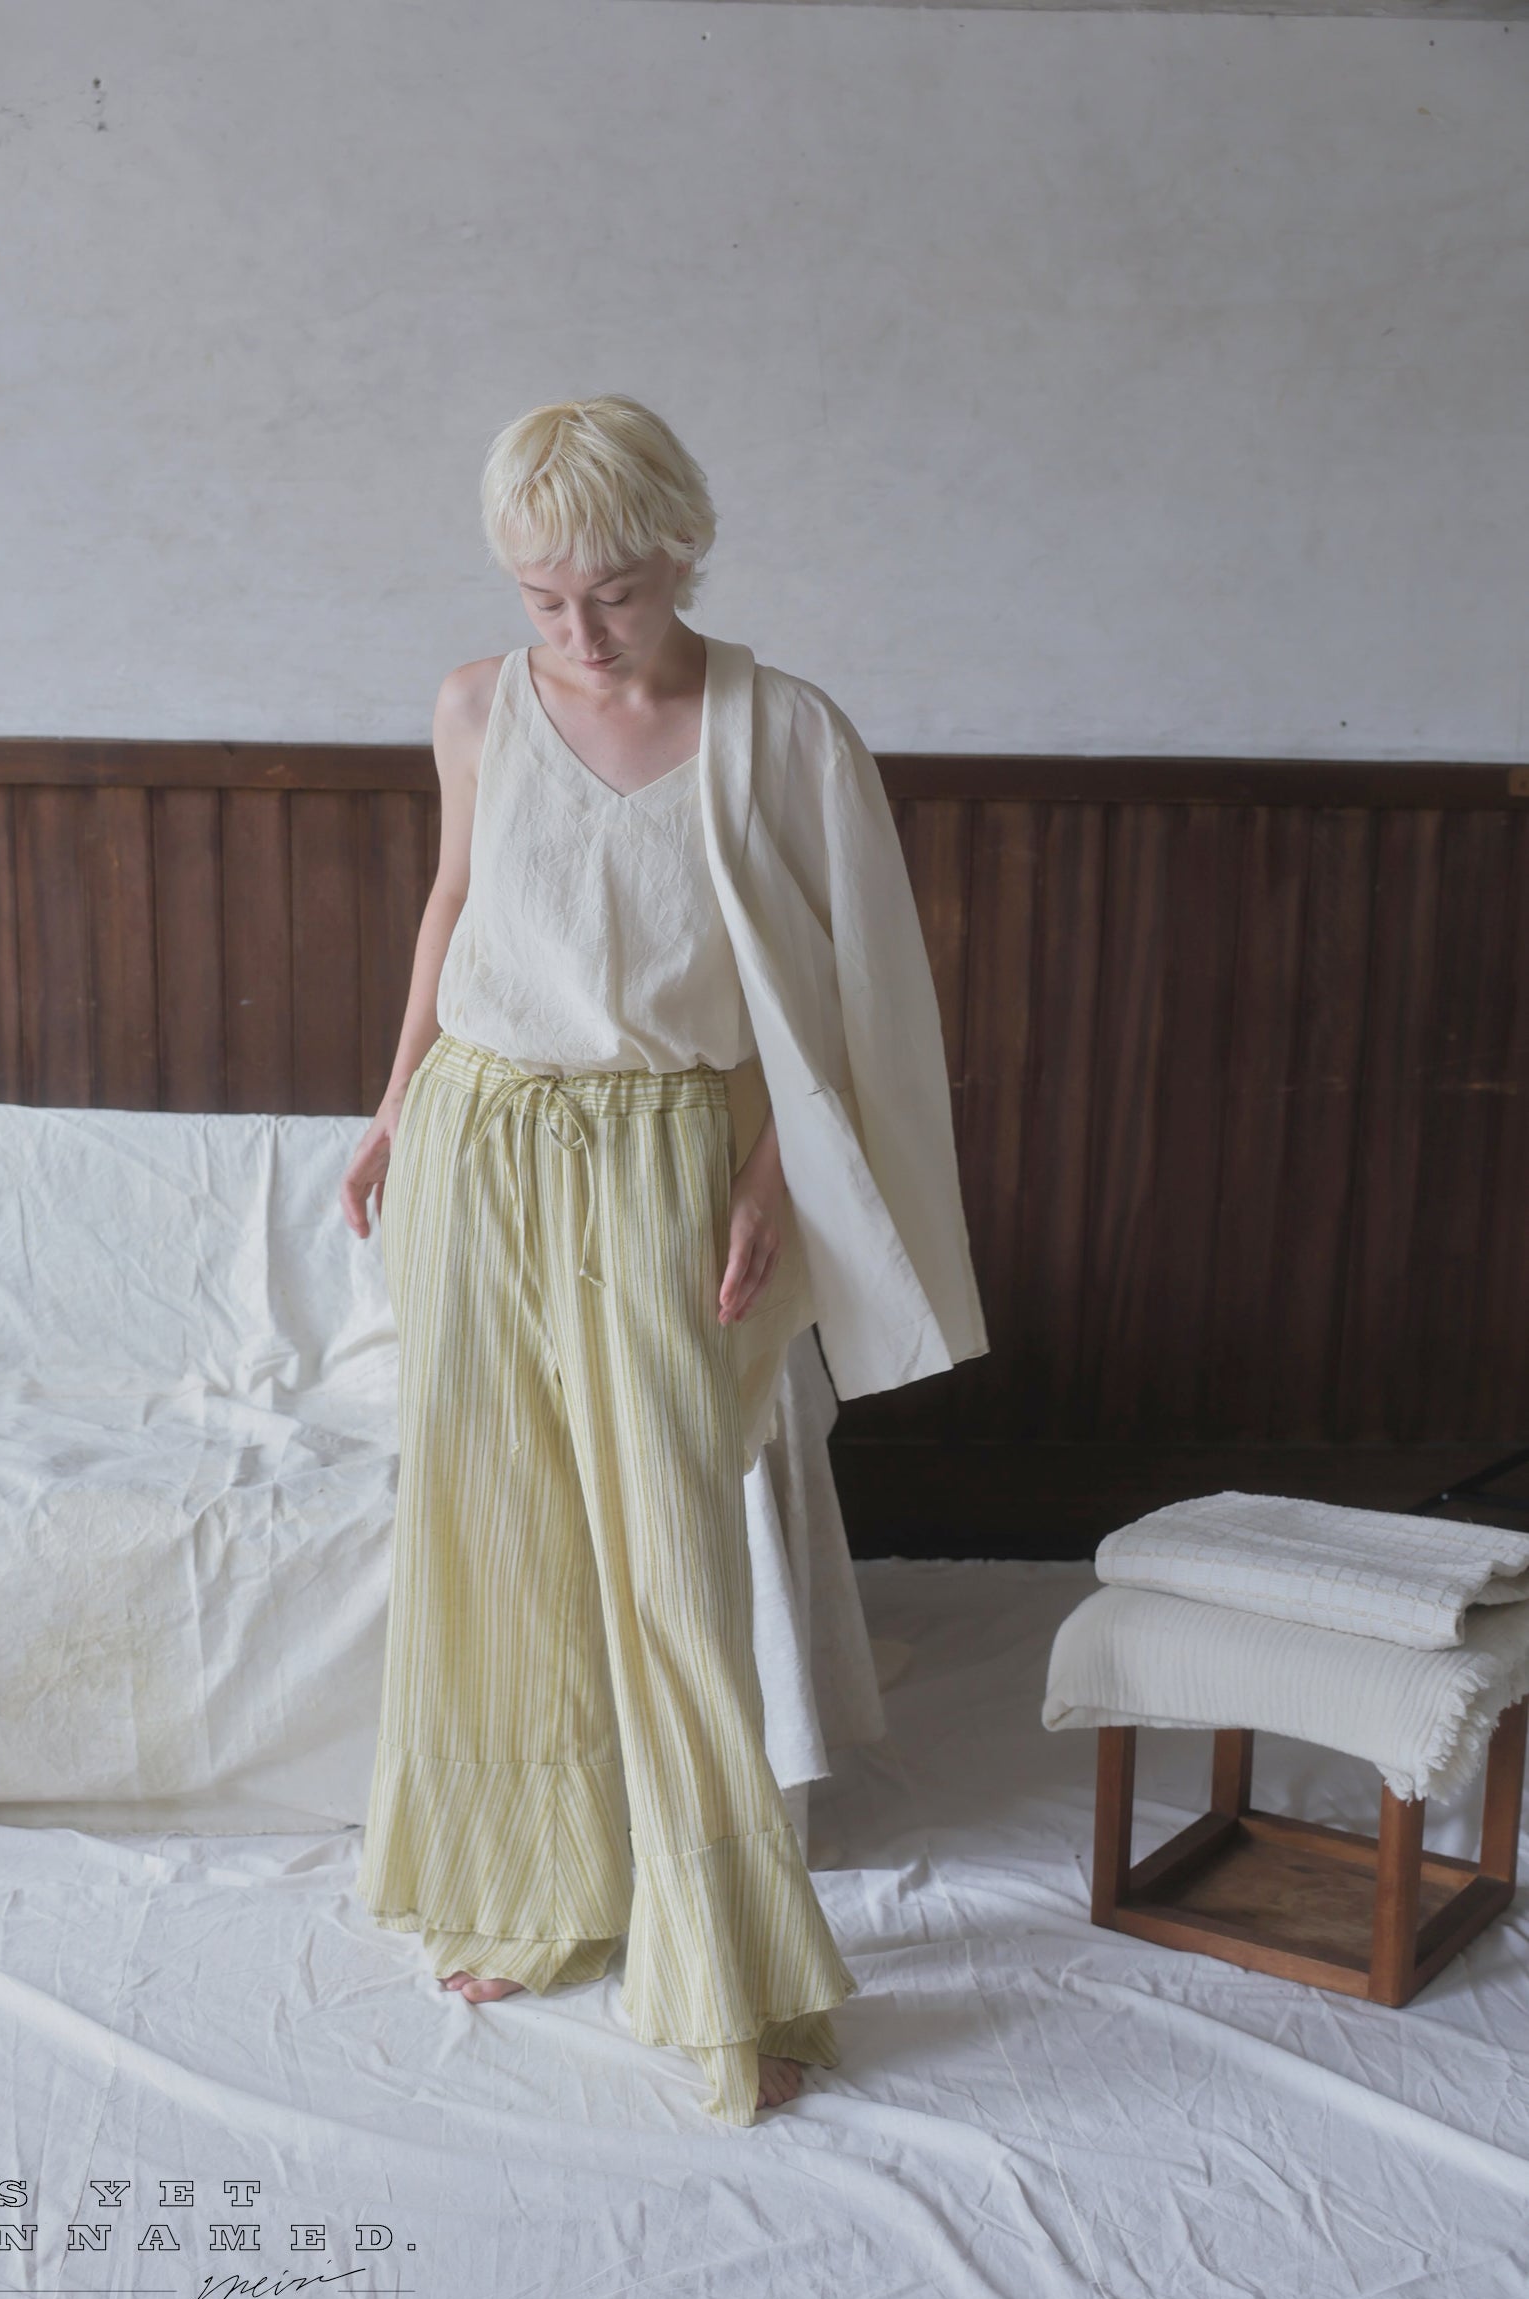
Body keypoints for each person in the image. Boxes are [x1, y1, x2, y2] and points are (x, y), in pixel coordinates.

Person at [340, 394, 984, 2125]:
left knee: (676, 1565)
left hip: (669, 1161)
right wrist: (395, 1104)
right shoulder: (477, 705)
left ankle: (725, 1961)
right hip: (480, 1141)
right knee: (494, 1533)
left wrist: (772, 1169)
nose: (578, 629)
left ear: (685, 553)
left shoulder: (786, 732)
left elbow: (837, 990)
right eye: (543, 595)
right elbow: (455, 902)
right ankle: (533, 1887)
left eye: (612, 592)